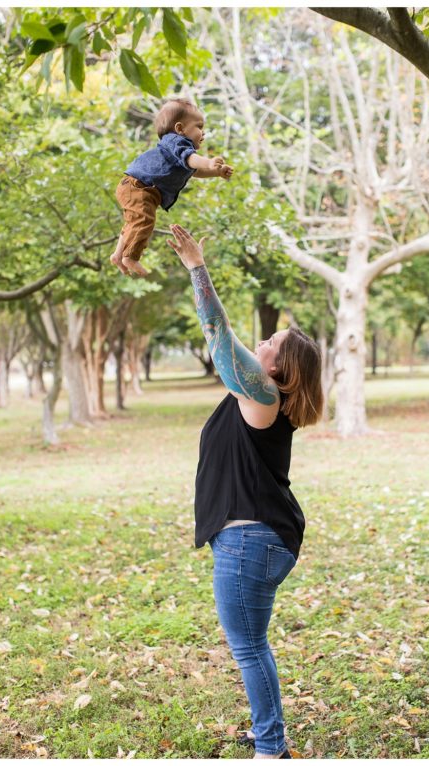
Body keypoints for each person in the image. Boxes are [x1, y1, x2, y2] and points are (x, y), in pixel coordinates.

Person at [168, 223, 324, 759]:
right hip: (254, 539)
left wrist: (197, 267)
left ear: (280, 368)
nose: (260, 344)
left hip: (250, 541)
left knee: (249, 648)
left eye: (271, 343)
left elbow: (220, 338)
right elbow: (221, 343)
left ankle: (270, 747)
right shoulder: (252, 396)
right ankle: (268, 735)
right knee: (253, 646)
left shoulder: (263, 396)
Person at [112, 99, 234, 277]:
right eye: (199, 126)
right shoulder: (176, 142)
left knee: (134, 222)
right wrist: (209, 162)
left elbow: (194, 170)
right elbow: (192, 160)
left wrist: (216, 172)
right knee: (144, 221)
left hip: (140, 189)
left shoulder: (180, 155)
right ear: (180, 129)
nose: (204, 132)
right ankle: (130, 256)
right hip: (138, 186)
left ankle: (117, 255)